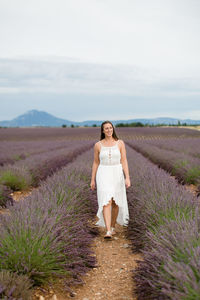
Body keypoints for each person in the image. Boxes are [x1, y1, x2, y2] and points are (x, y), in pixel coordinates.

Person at [90, 121, 131, 239]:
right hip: (103, 173)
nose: (108, 130)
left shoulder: (120, 143)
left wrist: (127, 177)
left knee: (115, 202)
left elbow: (124, 160)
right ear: (103, 131)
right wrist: (92, 179)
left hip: (117, 173)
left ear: (113, 129)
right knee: (106, 201)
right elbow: (96, 162)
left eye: (110, 128)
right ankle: (108, 230)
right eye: (106, 128)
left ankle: (112, 226)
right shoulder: (98, 145)